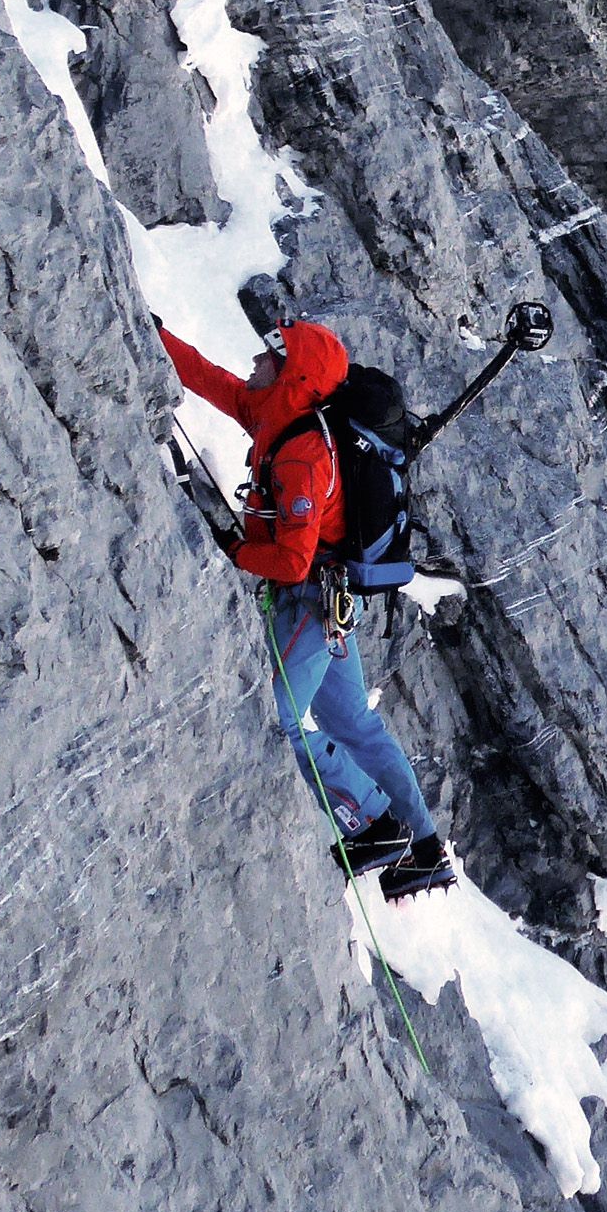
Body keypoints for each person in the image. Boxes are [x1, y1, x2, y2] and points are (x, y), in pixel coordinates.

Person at [156, 316, 454, 900]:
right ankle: (422, 847)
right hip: (334, 602)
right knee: (355, 724)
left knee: (278, 721)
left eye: (270, 356)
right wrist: (154, 335)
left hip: (309, 603)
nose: (255, 362)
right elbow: (206, 378)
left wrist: (236, 553)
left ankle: (374, 825)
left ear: (294, 372)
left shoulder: (301, 453)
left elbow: (291, 563)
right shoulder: (274, 414)